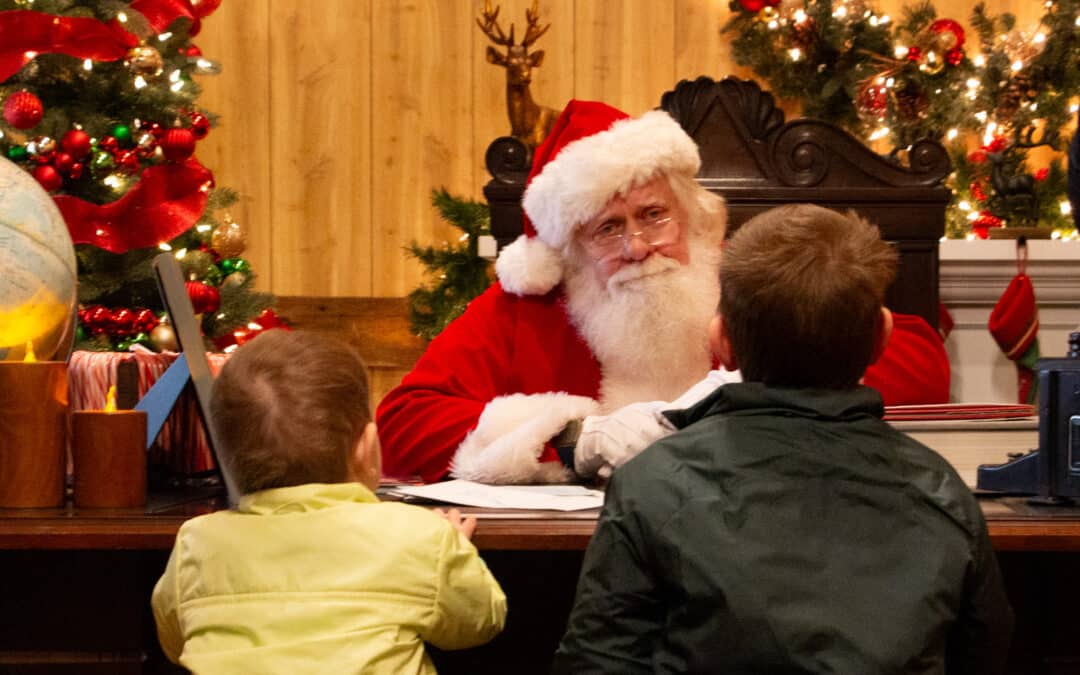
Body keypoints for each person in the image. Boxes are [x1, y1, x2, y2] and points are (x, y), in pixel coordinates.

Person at [377, 100, 951, 485]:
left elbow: (921, 366)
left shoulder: (750, 277)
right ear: (572, 249)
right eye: (607, 228)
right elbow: (404, 424)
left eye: (654, 215)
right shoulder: (526, 309)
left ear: (692, 215)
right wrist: (573, 440)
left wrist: (750, 411)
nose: (637, 247)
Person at [553, 204, 1013, 674]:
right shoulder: (941, 490)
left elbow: (596, 664)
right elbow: (985, 655)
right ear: (882, 337)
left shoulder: (651, 484)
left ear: (722, 341)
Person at [151, 329, 507, 674]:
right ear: (367, 447)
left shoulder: (196, 542)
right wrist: (454, 553)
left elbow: (175, 641)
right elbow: (479, 622)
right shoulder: (421, 536)